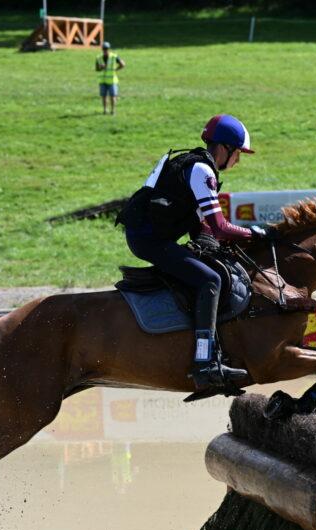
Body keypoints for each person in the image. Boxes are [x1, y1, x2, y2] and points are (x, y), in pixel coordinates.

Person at [116, 114, 272, 392]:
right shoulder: (203, 171)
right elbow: (220, 227)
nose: (238, 161)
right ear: (224, 148)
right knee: (210, 280)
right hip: (149, 240)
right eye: (238, 154)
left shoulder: (195, 165)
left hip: (151, 235)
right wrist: (257, 233)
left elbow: (201, 224)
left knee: (212, 266)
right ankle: (204, 361)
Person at [95, 41, 125, 115]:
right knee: (104, 96)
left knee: (113, 96)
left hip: (112, 80)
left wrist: (116, 69)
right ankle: (105, 110)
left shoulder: (114, 56)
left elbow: (123, 64)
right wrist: (100, 68)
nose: (105, 50)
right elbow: (96, 69)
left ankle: (113, 111)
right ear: (102, 49)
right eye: (104, 49)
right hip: (102, 80)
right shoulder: (98, 57)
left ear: (109, 49)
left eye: (106, 49)